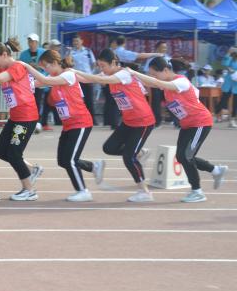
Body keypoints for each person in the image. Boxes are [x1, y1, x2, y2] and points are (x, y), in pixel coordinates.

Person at [128, 59, 228, 202]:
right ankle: (216, 170)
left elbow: (157, 83)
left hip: (200, 122)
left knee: (186, 156)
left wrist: (134, 72)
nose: (153, 77)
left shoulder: (181, 82)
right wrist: (132, 75)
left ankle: (197, 191)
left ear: (165, 70)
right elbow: (151, 83)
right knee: (182, 157)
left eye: (155, 74)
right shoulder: (165, 83)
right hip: (187, 124)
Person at [73, 49, 155, 202]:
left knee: (128, 158)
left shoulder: (124, 74)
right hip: (128, 122)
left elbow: (99, 79)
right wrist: (69, 75)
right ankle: (140, 153)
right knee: (109, 147)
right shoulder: (109, 74)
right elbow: (88, 79)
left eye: (103, 66)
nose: (101, 69)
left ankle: (144, 192)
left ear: (113, 63)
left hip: (143, 121)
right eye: (99, 66)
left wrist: (77, 71)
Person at [22, 51, 104, 202]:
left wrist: (26, 66)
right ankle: (94, 167)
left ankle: (83, 191)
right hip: (68, 125)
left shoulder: (68, 75)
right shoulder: (54, 77)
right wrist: (14, 82)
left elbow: (43, 79)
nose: (45, 70)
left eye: (45, 66)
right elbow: (37, 83)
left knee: (70, 160)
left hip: (80, 122)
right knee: (63, 160)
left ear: (54, 63)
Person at [0, 39, 43, 201]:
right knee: (0, 150)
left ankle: (29, 190)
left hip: (26, 117)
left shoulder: (17, 66)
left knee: (14, 153)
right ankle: (31, 170)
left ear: (4, 54)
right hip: (16, 117)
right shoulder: (2, 68)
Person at [19, 33, 50, 131]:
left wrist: (37, 67)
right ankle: (29, 121)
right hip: (27, 82)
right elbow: (20, 68)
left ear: (37, 42)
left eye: (33, 42)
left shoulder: (43, 52)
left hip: (40, 80)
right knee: (28, 102)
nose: (31, 44)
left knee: (38, 101)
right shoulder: (23, 54)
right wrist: (28, 66)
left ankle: (38, 122)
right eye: (29, 41)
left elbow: (48, 67)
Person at [143, 41, 173, 127]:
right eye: (162, 47)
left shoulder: (168, 58)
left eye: (165, 47)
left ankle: (174, 120)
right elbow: (147, 72)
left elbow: (171, 71)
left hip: (167, 84)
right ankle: (157, 121)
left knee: (171, 101)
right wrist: (148, 85)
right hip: (155, 84)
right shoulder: (151, 59)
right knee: (156, 103)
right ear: (157, 48)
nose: (164, 49)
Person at [68, 35, 97, 119]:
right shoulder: (71, 52)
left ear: (81, 41)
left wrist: (91, 73)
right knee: (77, 100)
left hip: (87, 78)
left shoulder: (88, 51)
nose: (75, 43)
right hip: (77, 79)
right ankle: (79, 118)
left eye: (77, 41)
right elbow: (68, 64)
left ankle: (92, 119)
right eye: (74, 41)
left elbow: (94, 63)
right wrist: (69, 53)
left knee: (89, 99)